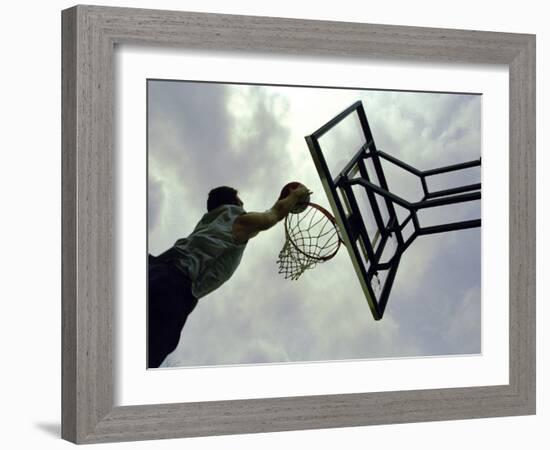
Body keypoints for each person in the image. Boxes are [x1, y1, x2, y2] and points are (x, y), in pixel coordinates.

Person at [148, 184, 310, 368]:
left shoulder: (211, 221)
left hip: (156, 271)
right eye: (241, 201)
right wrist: (295, 195)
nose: (243, 205)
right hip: (174, 286)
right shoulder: (236, 219)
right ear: (234, 202)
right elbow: (273, 215)